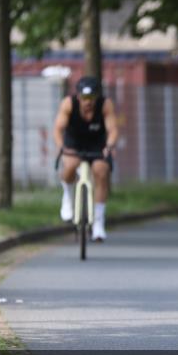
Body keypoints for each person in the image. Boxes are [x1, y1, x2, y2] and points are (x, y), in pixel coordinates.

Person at [53, 76, 118, 242]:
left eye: (91, 98)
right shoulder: (68, 104)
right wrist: (61, 147)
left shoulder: (105, 105)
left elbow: (112, 130)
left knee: (101, 171)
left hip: (97, 143)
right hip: (74, 142)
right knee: (70, 165)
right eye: (84, 98)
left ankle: (98, 223)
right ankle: (67, 197)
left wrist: (109, 146)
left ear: (97, 96)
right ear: (78, 96)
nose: (87, 102)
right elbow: (58, 129)